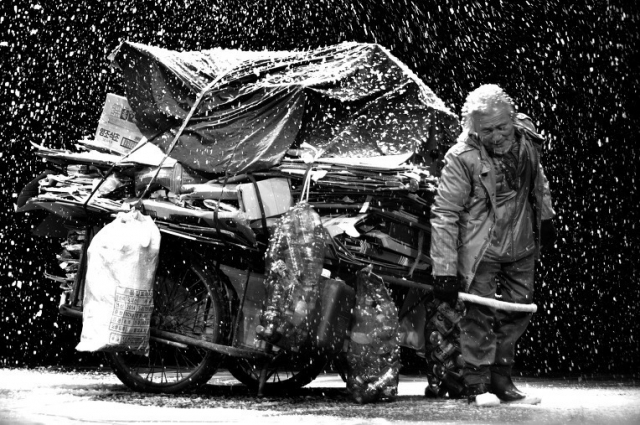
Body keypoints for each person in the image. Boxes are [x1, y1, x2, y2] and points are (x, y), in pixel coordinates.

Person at [429, 84, 556, 405]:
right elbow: (445, 212)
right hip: (481, 247)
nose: (497, 136)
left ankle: (501, 378)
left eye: (503, 127)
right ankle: (476, 382)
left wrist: (546, 218)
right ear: (473, 129)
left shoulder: (526, 139)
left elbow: (538, 181)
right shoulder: (462, 157)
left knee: (518, 311)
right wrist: (444, 269)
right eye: (488, 130)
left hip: (522, 242)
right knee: (479, 315)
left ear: (513, 119)